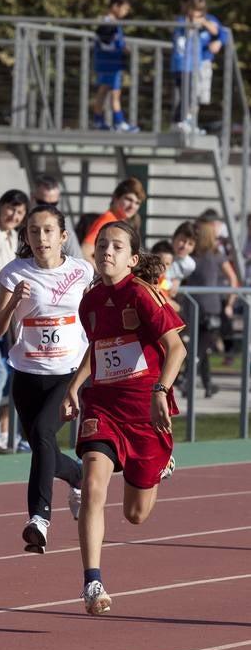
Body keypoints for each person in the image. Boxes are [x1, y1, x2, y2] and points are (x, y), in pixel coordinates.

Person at [62, 221, 185, 615]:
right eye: (101, 245)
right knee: (93, 485)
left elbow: (177, 349)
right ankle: (92, 582)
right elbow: (98, 348)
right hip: (103, 406)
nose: (106, 252)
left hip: (145, 409)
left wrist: (160, 391)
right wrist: (75, 385)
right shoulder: (90, 301)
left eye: (116, 246)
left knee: (135, 515)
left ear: (132, 258)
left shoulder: (144, 295)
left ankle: (159, 464)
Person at [0, 205, 93, 553]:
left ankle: (39, 519)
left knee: (44, 436)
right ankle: (77, 475)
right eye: (34, 231)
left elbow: (93, 320)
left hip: (68, 374)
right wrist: (13, 301)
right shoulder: (14, 272)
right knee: (42, 446)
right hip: (27, 376)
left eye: (48, 231)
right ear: (26, 237)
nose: (41, 238)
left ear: (62, 237)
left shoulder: (81, 271)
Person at [181, 216, 237, 398]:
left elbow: (233, 280)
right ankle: (207, 384)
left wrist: (229, 303)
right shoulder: (213, 255)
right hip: (208, 307)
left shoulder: (196, 256)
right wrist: (229, 302)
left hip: (198, 307)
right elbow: (233, 280)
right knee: (201, 348)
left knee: (199, 348)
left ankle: (188, 381)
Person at [172, 0, 230, 135]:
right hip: (186, 65)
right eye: (194, 10)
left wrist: (217, 40)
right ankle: (182, 121)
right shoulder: (183, 21)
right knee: (189, 94)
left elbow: (221, 33)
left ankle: (189, 121)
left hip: (199, 64)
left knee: (197, 97)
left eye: (200, 11)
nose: (196, 13)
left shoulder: (208, 20)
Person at [91, 0, 136, 132]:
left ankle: (98, 120)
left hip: (109, 62)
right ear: (116, 6)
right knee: (115, 93)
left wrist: (122, 47)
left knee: (103, 91)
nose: (126, 12)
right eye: (125, 9)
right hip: (110, 63)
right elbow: (105, 43)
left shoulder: (113, 23)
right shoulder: (108, 23)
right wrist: (121, 51)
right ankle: (119, 122)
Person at [81, 177, 145, 261]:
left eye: (137, 203)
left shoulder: (120, 221)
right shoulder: (108, 220)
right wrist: (103, 273)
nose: (132, 206)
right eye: (129, 199)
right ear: (115, 198)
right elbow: (85, 251)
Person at [30, 173, 83, 260]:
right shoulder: (17, 218)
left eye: (53, 204)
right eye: (42, 203)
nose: (47, 209)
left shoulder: (62, 224)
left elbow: (77, 260)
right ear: (32, 197)